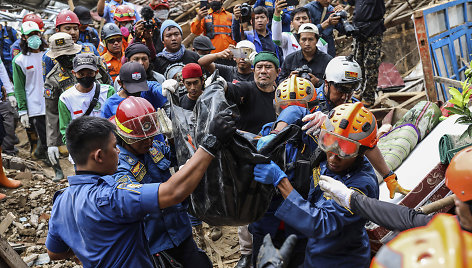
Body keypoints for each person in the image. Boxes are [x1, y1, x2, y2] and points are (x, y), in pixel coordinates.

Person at [45, 110, 236, 267]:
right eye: (114, 147)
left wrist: (91, 250)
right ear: (99, 156)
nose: (118, 151)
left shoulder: (61, 201)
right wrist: (210, 144)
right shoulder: (112, 196)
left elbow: (54, 252)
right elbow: (173, 192)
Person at [254, 102, 379, 267]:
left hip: (340, 259)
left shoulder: (360, 185)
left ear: (362, 151)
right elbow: (295, 109)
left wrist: (280, 181)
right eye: (330, 144)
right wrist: (317, 117)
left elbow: (322, 224)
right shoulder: (329, 148)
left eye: (344, 151)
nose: (333, 158)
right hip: (313, 250)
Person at [272, 56, 410, 199]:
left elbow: (367, 143)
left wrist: (388, 177)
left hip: (330, 170)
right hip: (298, 169)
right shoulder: (309, 100)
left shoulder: (353, 108)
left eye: (351, 89)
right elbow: (289, 115)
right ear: (326, 84)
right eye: (341, 89)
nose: (345, 96)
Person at [112, 97, 212, 267]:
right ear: (127, 138)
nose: (149, 142)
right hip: (153, 243)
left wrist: (174, 137)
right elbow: (137, 199)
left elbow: (176, 155)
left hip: (180, 231)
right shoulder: (118, 166)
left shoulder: (153, 148)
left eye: (151, 136)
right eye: (142, 139)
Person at [319, 145, 472, 234]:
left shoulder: (456, 237)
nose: (455, 200)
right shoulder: (457, 225)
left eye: (460, 197)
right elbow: (408, 218)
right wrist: (351, 198)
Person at [44, 33, 110, 181]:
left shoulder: (95, 63)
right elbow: (52, 113)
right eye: (61, 57)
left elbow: (109, 90)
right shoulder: (53, 78)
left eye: (69, 55)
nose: (66, 59)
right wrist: (52, 143)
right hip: (78, 135)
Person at [58, 54, 115, 145]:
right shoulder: (65, 98)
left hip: (106, 146)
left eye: (90, 73)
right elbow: (65, 131)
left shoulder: (108, 91)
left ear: (96, 72)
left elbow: (115, 121)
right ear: (74, 73)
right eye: (81, 74)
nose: (86, 77)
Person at [12, 21, 48, 160]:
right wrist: (22, 110)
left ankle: (43, 154)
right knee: (43, 135)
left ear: (40, 34)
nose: (34, 37)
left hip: (51, 102)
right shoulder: (20, 60)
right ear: (24, 38)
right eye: (29, 35)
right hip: (35, 104)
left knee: (53, 135)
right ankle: (46, 159)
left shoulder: (48, 55)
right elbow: (19, 87)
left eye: (36, 33)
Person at [42, 10, 108, 81]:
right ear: (58, 30)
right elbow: (48, 83)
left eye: (76, 28)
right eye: (68, 29)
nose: (73, 32)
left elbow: (106, 77)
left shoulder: (90, 49)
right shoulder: (50, 56)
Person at [225, 51, 280, 134]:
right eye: (259, 67)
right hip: (245, 145)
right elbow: (231, 89)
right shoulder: (246, 88)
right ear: (253, 71)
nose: (263, 71)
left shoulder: (281, 96)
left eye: (268, 67)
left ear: (278, 72)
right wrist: (221, 84)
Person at [349, 0, 386, 107]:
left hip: (373, 30)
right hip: (358, 30)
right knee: (358, 63)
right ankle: (360, 90)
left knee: (370, 64)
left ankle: (368, 96)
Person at [101, 62, 166, 119]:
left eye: (140, 85)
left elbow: (156, 88)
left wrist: (165, 88)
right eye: (132, 87)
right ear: (120, 83)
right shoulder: (110, 104)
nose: (136, 90)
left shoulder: (148, 91)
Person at [279, 23, 332, 87]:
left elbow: (333, 85)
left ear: (317, 40)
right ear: (299, 41)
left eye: (311, 39)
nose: (307, 43)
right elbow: (280, 81)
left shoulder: (327, 60)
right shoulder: (290, 59)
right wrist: (289, 80)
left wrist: (318, 82)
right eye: (304, 39)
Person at [0, 58, 19, 156]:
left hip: (1, 98)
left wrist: (10, 92)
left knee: (12, 118)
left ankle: (8, 149)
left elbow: (1, 70)